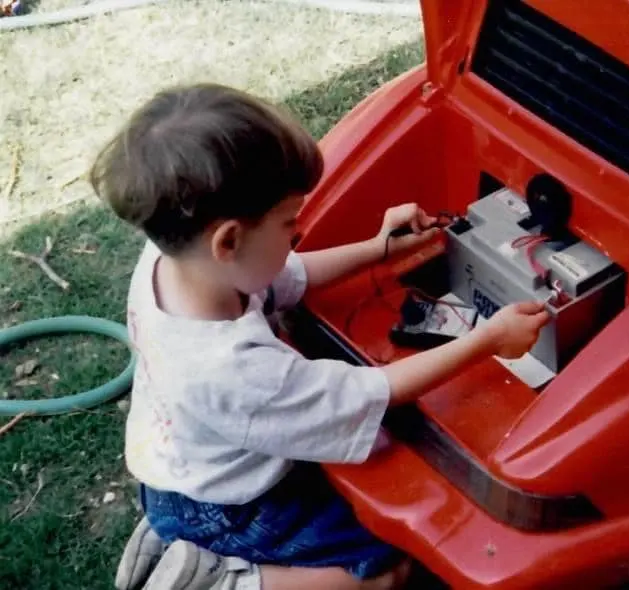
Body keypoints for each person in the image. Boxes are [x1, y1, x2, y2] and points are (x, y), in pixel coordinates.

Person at [91, 83, 550, 590]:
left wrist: (380, 248)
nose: (297, 232)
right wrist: (489, 338)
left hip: (182, 470)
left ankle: (176, 540)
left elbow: (288, 275)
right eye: (290, 223)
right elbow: (374, 392)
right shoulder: (233, 369)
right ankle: (217, 578)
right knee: (390, 560)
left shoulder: (173, 261)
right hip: (232, 506)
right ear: (228, 240)